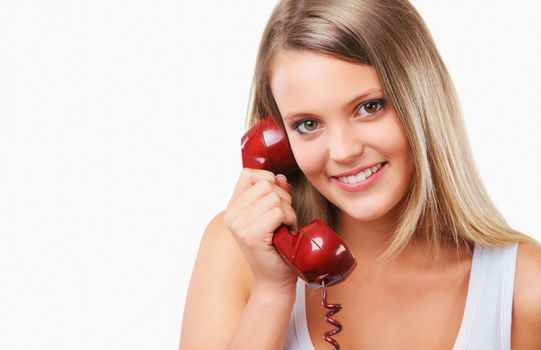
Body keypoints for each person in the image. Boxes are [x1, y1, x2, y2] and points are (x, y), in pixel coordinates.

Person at [179, 0, 541, 348]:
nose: (343, 151)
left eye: (369, 107)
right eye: (307, 124)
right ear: (278, 139)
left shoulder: (522, 287)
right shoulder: (236, 253)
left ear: (422, 101)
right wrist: (271, 293)